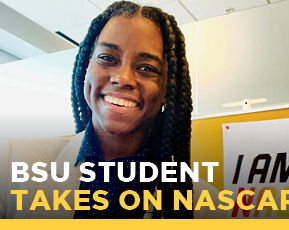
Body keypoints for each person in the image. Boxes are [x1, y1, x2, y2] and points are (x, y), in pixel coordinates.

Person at [0, 1, 225, 219]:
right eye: (107, 58)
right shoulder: (11, 161)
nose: (122, 78)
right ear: (87, 67)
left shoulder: (207, 208)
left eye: (147, 68)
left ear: (167, 88)